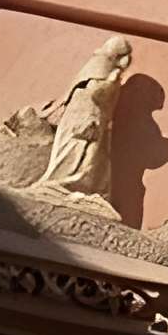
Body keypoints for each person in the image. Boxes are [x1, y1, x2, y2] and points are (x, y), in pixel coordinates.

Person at [36, 35, 133, 207]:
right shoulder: (102, 67)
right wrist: (111, 81)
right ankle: (63, 182)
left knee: (84, 151)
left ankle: (69, 183)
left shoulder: (98, 66)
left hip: (87, 116)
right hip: (85, 116)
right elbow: (95, 92)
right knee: (77, 149)